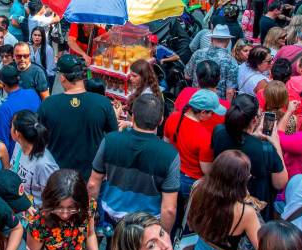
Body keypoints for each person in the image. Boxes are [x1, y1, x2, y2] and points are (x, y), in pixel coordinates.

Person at [88, 94, 179, 233]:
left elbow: (93, 184)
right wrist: (162, 236)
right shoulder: (170, 154)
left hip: (112, 215)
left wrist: (92, 216)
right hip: (147, 223)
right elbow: (169, 209)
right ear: (160, 120)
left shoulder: (110, 140)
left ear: (133, 116)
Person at [38, 55, 118, 180]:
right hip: (92, 176)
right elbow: (113, 138)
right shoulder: (103, 103)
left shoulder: (48, 104)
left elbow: (39, 140)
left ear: (63, 78)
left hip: (58, 176)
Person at [211, 94, 287, 218]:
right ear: (254, 120)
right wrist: (276, 143)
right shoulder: (265, 149)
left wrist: (252, 136)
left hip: (221, 196)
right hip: (252, 207)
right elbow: (280, 183)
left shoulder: (218, 131)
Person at [164, 90, 224, 231]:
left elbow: (165, 144)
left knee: (173, 214)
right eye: (212, 113)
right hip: (190, 183)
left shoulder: (173, 118)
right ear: (203, 112)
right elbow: (206, 169)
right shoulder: (204, 137)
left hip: (171, 175)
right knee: (188, 221)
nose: (213, 116)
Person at [27, 169, 101, 250]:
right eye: (59, 207)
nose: (65, 215)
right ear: (50, 203)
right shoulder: (39, 221)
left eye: (71, 208)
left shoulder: (87, 207)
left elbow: (90, 234)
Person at [9, 110, 58, 208]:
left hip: (34, 215)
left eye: (11, 126)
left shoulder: (44, 164)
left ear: (17, 134)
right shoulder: (18, 145)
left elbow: (52, 198)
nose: (10, 128)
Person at [173, 60, 230, 134]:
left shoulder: (185, 92)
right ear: (219, 78)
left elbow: (174, 116)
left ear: (197, 77)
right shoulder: (225, 106)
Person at [0, 65, 42, 154]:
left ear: (2, 84)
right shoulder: (32, 93)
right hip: (37, 147)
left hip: (17, 155)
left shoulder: (5, 108)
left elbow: (2, 141)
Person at [184, 25, 239, 101]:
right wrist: (227, 107)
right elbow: (230, 91)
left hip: (196, 99)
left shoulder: (198, 53)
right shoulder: (231, 61)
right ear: (228, 40)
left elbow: (187, 76)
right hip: (216, 104)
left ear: (211, 39)